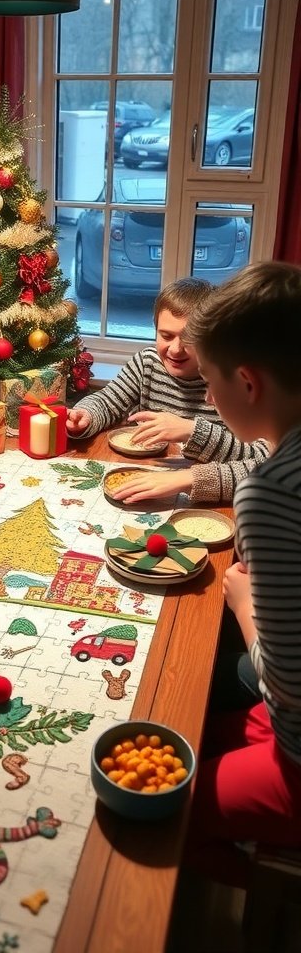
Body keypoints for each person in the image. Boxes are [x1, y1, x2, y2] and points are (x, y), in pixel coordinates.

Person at [183, 260, 301, 887]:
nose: (207, 398)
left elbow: (284, 683)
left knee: (157, 801)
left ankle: (254, 864)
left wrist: (244, 605)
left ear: (248, 383)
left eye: (209, 380)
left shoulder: (273, 493)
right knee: (191, 727)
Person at [66, 278, 269, 504]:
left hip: (207, 497)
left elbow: (261, 458)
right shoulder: (148, 363)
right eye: (166, 335)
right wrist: (85, 415)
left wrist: (193, 431)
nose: (175, 349)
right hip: (148, 481)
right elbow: (108, 401)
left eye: (189, 338)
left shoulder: (234, 382)